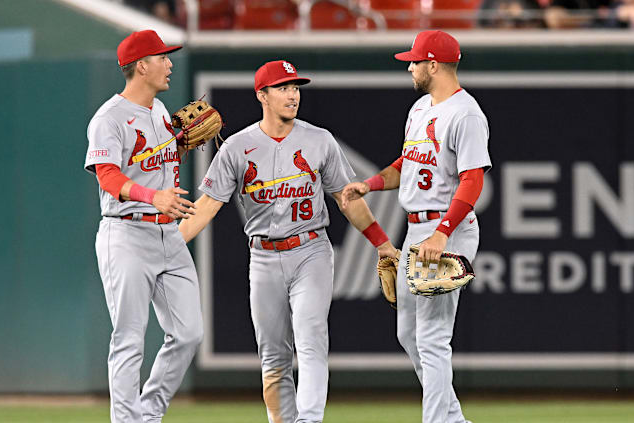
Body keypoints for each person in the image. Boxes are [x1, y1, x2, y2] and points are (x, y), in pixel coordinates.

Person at [178, 59, 397, 423]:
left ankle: (309, 419)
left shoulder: (319, 140)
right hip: (263, 257)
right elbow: (205, 208)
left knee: (311, 339)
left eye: (295, 87)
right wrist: (166, 249)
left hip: (311, 250)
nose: (292, 94)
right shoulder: (236, 147)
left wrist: (382, 242)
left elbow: (348, 199)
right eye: (282, 87)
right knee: (274, 356)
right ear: (262, 95)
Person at [341, 30, 491, 423]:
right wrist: (370, 184)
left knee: (432, 336)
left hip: (447, 227)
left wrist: (442, 233)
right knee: (408, 333)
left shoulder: (466, 114)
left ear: (434, 64)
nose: (409, 67)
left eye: (414, 61)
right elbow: (407, 163)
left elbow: (473, 180)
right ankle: (452, 418)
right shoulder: (421, 108)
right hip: (416, 229)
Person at [83, 30, 203, 423]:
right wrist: (155, 197)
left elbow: (154, 167)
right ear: (141, 66)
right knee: (129, 340)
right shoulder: (109, 117)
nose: (170, 64)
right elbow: (108, 177)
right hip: (127, 233)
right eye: (163, 58)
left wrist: (178, 148)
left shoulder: (160, 112)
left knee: (188, 334)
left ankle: (148, 413)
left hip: (167, 234)